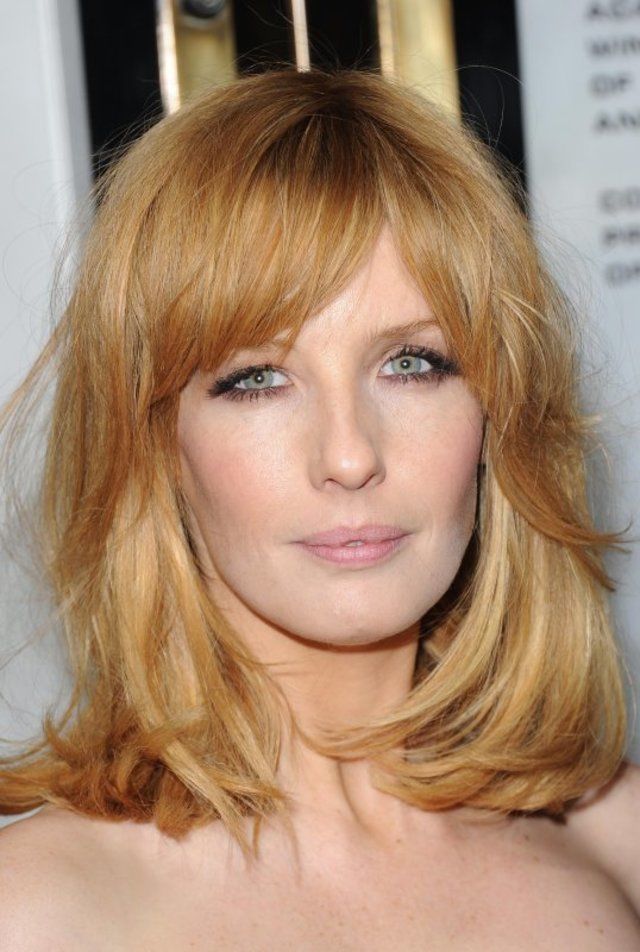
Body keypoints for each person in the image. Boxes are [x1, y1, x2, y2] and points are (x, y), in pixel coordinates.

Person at [0, 67, 638, 950]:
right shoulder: (38, 913)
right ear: (156, 446)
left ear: (500, 418)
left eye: (412, 364)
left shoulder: (618, 849)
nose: (349, 456)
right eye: (257, 379)